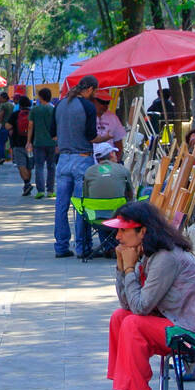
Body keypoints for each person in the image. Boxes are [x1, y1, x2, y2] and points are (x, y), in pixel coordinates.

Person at [96, 200, 195, 390]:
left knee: (133, 324)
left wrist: (130, 268)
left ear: (143, 231)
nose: (118, 237)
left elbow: (141, 307)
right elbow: (127, 305)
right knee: (120, 318)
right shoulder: (150, 254)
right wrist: (122, 268)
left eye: (123, 230)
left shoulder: (165, 258)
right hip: (181, 321)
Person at [54, 75, 99, 258]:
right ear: (89, 89)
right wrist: (106, 138)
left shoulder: (59, 105)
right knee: (81, 205)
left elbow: (53, 135)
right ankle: (82, 247)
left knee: (61, 205)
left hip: (63, 159)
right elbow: (91, 136)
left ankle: (61, 246)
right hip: (82, 158)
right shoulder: (88, 106)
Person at [82, 152, 133, 257]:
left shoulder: (89, 171)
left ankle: (95, 247)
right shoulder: (123, 170)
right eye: (114, 154)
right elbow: (131, 193)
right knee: (121, 209)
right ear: (110, 156)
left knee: (95, 213)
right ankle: (115, 246)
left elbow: (86, 196)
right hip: (119, 218)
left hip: (95, 218)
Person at [30, 87, 58, 199]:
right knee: (51, 166)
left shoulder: (35, 110)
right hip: (52, 142)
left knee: (39, 166)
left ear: (41, 97)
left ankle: (40, 190)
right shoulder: (54, 109)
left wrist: (28, 141)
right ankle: (50, 191)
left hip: (38, 141)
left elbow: (30, 126)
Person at [8, 94, 36, 196]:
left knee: (21, 164)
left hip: (18, 143)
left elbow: (7, 125)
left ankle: (27, 183)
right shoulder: (33, 113)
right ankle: (27, 184)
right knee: (29, 165)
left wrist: (12, 129)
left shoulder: (16, 114)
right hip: (31, 144)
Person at [91, 91, 126, 160]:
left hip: (107, 160)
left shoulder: (113, 117)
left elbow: (118, 142)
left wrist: (116, 161)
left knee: (103, 170)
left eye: (107, 102)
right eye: (102, 102)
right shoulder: (84, 116)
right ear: (93, 101)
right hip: (89, 159)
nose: (105, 105)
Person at [0, 91, 15, 162]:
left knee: (1, 143)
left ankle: (2, 157)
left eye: (0, 98)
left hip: (4, 126)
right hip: (11, 126)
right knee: (12, 143)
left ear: (4, 98)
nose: (0, 100)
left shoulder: (3, 105)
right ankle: (14, 158)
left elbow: (1, 115)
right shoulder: (12, 105)